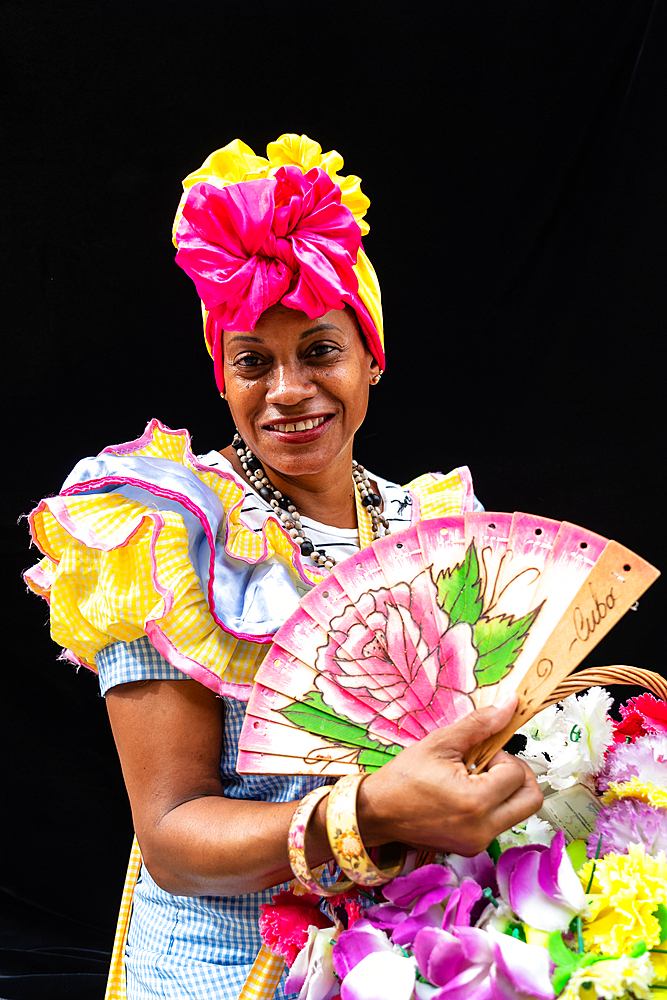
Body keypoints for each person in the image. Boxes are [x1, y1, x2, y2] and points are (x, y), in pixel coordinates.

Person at [25, 134, 542, 1000]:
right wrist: (371, 811)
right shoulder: (172, 532)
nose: (289, 389)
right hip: (231, 973)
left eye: (320, 350)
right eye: (253, 362)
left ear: (370, 355)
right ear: (221, 378)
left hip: (420, 956)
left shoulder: (441, 527)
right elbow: (174, 837)